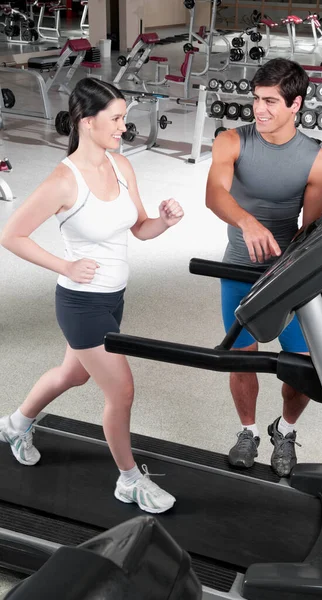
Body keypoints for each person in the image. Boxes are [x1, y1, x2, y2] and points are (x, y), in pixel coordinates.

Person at [0, 78, 184, 513]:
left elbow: (140, 229)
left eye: (124, 117)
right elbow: (12, 235)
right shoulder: (65, 181)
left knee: (73, 374)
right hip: (81, 304)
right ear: (87, 122)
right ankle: (128, 479)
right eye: (116, 118)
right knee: (121, 391)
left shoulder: (121, 166)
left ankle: (15, 423)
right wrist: (64, 266)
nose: (124, 126)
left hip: (113, 298)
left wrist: (164, 221)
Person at [206, 58, 322, 477]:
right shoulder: (232, 140)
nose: (259, 109)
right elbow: (214, 196)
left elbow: (309, 231)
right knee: (242, 358)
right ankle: (248, 431)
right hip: (239, 269)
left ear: (296, 104)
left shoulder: (317, 161)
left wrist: (288, 266)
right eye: (256, 99)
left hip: (287, 275)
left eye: (270, 102)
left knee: (302, 365)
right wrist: (247, 222)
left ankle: (286, 429)